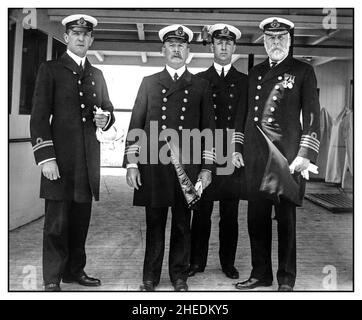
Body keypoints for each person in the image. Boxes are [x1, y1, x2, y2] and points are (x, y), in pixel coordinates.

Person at [123, 24, 215, 291]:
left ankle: (179, 276)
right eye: (172, 45)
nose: (177, 50)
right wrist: (131, 163)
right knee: (154, 224)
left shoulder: (200, 85)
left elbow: (209, 129)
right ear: (163, 50)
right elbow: (136, 125)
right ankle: (150, 277)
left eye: (182, 46)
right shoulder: (149, 83)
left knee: (182, 225)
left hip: (187, 167)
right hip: (154, 165)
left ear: (189, 52)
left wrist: (207, 167)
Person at [234, 17, 320, 291]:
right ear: (264, 41)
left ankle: (286, 278)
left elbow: (312, 115)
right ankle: (261, 274)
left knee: (285, 222)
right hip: (256, 158)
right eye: (270, 38)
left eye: (281, 37)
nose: (275, 42)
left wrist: (306, 153)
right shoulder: (255, 72)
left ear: (290, 39)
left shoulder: (303, 71)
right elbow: (245, 115)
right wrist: (237, 147)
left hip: (287, 159)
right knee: (256, 220)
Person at [30, 14, 115, 291]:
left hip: (87, 163)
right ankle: (52, 278)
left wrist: (107, 120)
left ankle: (75, 272)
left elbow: (107, 109)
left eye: (86, 34)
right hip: (59, 162)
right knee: (56, 225)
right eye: (75, 33)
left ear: (91, 39)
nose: (81, 38)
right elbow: (39, 117)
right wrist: (46, 158)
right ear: (66, 37)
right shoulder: (51, 69)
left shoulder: (97, 75)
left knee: (80, 223)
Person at [188, 24, 248, 280]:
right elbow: (194, 121)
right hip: (205, 154)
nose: (223, 46)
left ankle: (228, 263)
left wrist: (237, 149)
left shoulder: (244, 82)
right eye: (219, 42)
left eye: (228, 43)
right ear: (212, 46)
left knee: (230, 215)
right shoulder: (199, 79)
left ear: (234, 47)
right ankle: (196, 262)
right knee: (200, 212)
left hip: (232, 155)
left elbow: (244, 119)